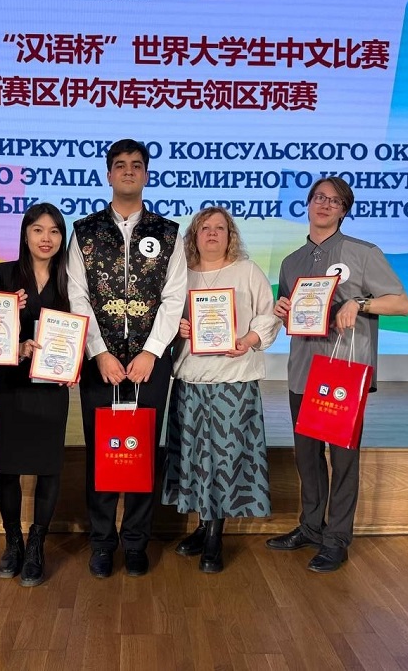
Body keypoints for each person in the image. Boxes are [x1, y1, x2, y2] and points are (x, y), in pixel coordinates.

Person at [267, 176, 408, 573]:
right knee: (307, 458)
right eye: (319, 197)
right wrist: (281, 310)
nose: (324, 205)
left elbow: (402, 304)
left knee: (343, 461)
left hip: (343, 376)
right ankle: (311, 527)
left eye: (334, 201)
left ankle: (336, 539)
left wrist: (360, 304)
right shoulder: (291, 261)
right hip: (303, 371)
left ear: (344, 210)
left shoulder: (363, 253)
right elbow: (293, 315)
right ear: (308, 204)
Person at [67, 138, 187, 578]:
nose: (129, 171)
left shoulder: (168, 232)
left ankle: (136, 541)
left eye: (137, 165)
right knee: (103, 453)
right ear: (109, 174)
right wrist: (98, 352)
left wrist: (152, 351)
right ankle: (102, 543)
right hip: (100, 364)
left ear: (146, 174)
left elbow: (174, 297)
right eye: (120, 165)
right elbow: (77, 295)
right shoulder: (84, 231)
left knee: (142, 453)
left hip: (149, 365)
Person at [162, 207, 281, 573]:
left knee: (226, 460)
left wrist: (249, 339)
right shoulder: (179, 274)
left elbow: (269, 314)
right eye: (205, 228)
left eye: (220, 228)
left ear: (231, 236)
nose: (212, 233)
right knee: (197, 458)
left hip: (234, 380)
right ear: (193, 236)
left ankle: (215, 535)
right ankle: (202, 526)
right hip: (191, 380)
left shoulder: (247, 271)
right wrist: (177, 328)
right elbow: (162, 319)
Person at [0, 202, 72, 587]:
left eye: (54, 231)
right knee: (7, 467)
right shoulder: (4, 274)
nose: (46, 238)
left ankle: (37, 543)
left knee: (48, 466)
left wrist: (76, 365)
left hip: (53, 387)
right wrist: (14, 334)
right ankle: (13, 542)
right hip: (12, 385)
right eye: (38, 229)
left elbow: (83, 330)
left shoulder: (72, 279)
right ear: (25, 234)